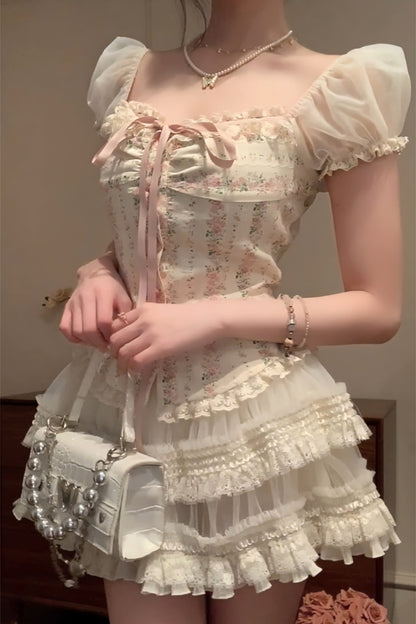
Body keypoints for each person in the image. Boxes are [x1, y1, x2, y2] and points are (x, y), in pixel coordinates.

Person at [22, 0, 413, 623]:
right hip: (127, 407)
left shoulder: (340, 87)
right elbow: (153, 234)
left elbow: (378, 308)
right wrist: (96, 272)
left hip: (247, 419)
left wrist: (216, 316)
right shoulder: (130, 72)